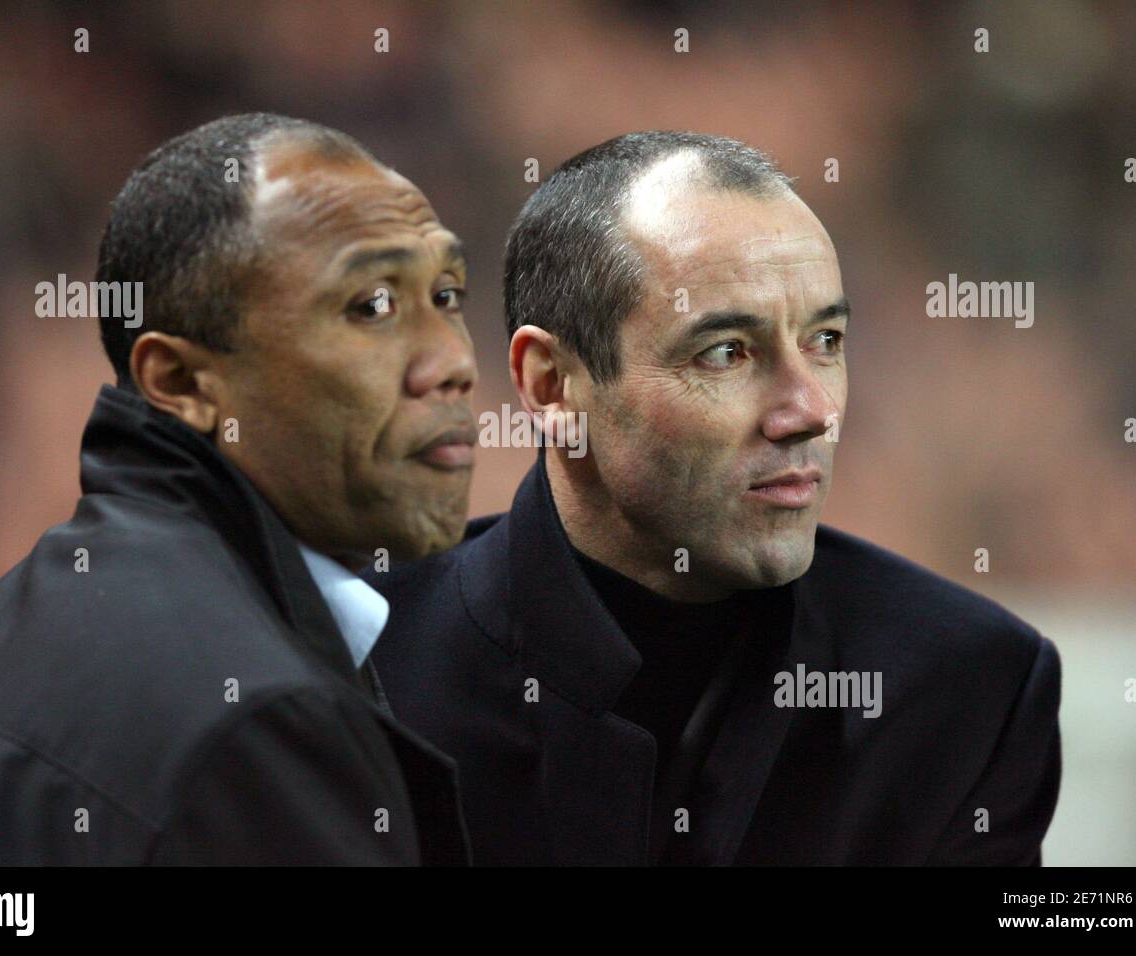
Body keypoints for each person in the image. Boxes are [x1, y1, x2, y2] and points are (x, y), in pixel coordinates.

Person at [367, 131, 1062, 865]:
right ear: (551, 385)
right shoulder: (361, 671)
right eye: (726, 352)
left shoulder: (966, 685)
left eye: (825, 341)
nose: (810, 410)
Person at [0, 113, 478, 865]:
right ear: (183, 381)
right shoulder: (257, 720)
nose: (452, 361)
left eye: (449, 296)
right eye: (372, 307)